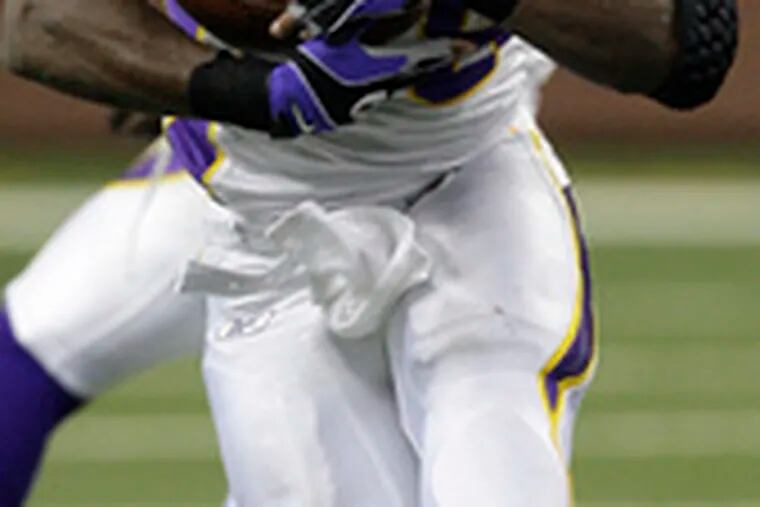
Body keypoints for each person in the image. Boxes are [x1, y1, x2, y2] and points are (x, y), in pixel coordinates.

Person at [1, 0, 737, 505]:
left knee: (492, 467)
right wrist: (252, 91)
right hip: (267, 231)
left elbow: (688, 46)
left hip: (466, 189)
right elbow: (38, 21)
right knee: (37, 339)